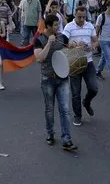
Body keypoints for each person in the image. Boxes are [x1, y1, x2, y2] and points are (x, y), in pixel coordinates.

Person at [33, 13, 78, 151]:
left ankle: (66, 139)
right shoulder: (39, 39)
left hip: (63, 78)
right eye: (56, 25)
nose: (59, 27)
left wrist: (71, 46)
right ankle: (50, 133)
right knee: (49, 109)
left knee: (64, 109)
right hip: (48, 78)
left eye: (59, 24)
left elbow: (65, 53)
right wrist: (49, 43)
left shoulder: (62, 37)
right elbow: (39, 58)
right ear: (48, 26)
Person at [62, 6, 99, 126]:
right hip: (74, 62)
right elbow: (63, 41)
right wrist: (70, 44)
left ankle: (86, 102)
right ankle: (77, 115)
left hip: (88, 62)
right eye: (79, 17)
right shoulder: (69, 26)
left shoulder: (90, 25)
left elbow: (95, 41)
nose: (82, 19)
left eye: (83, 17)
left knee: (94, 88)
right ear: (74, 15)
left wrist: (91, 47)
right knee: (75, 92)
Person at [95, 0, 110, 83]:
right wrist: (96, 41)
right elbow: (97, 29)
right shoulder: (101, 16)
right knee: (109, 58)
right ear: (107, 6)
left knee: (104, 57)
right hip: (103, 40)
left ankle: (98, 72)